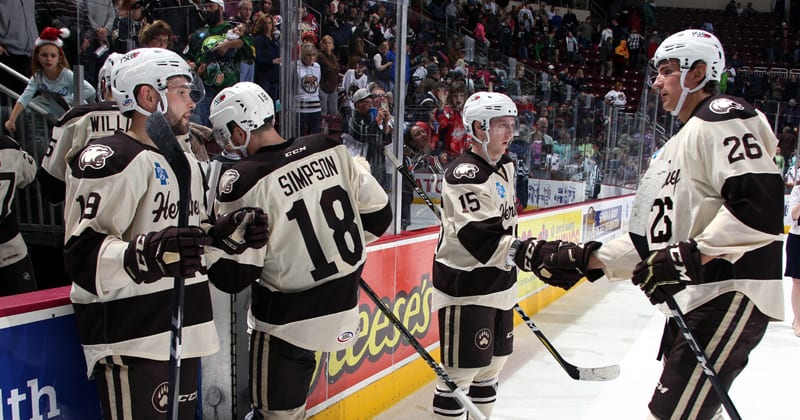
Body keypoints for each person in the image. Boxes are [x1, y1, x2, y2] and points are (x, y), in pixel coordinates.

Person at [549, 29, 786, 420]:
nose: (657, 81)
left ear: (697, 73)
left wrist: (691, 254)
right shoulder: (675, 145)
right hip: (699, 297)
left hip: (729, 291)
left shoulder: (723, 116)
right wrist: (584, 260)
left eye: (667, 70)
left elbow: (757, 209)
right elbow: (650, 242)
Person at [63, 48, 267, 419]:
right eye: (181, 91)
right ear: (148, 96)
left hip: (184, 326)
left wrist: (221, 238)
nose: (192, 102)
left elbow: (182, 248)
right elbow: (82, 254)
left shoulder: (184, 160)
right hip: (135, 335)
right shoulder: (113, 157)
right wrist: (146, 254)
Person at [207, 81, 392, 419]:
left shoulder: (243, 179)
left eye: (224, 134)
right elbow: (380, 217)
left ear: (237, 130)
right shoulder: (328, 146)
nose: (227, 144)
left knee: (274, 414)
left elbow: (233, 276)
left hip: (285, 321)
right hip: (342, 305)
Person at [431, 91, 584, 419]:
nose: (510, 132)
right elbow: (480, 241)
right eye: (501, 124)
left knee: (491, 369)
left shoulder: (506, 165)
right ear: (478, 128)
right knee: (459, 376)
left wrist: (522, 256)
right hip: (466, 287)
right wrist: (532, 253)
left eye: (512, 124)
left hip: (500, 283)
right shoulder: (464, 175)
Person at [39, 52, 128, 204]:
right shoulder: (153, 121)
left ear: (103, 84)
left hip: (86, 214)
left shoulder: (75, 118)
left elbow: (52, 186)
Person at [4, 27, 96, 133]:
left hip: (75, 116)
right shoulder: (38, 77)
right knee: (33, 106)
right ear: (37, 57)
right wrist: (12, 120)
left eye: (53, 56)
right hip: (56, 116)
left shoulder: (67, 74)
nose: (49, 59)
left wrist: (69, 99)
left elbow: (90, 89)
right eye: (44, 55)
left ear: (59, 58)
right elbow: (25, 97)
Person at [185, 0, 255, 126]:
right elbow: (188, 57)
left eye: (210, 7)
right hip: (204, 90)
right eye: (204, 7)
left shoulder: (234, 29)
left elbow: (251, 49)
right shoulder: (198, 34)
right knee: (203, 128)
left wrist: (229, 44)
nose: (206, 10)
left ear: (221, 9)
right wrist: (191, 65)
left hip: (229, 90)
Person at [0, 134, 37, 296]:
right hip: (10, 247)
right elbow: (29, 174)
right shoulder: (9, 147)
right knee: (27, 313)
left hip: (10, 248)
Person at [343, 88, 392, 187]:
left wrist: (386, 123)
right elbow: (362, 135)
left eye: (371, 102)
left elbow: (385, 140)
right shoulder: (350, 117)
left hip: (375, 164)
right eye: (366, 102)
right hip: (357, 163)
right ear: (357, 104)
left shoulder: (372, 117)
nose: (370, 105)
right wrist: (377, 120)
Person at [296, 43, 322, 135]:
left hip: (315, 107)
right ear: (303, 55)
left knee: (315, 135)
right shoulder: (296, 66)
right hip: (301, 107)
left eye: (313, 55)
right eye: (308, 55)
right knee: (300, 134)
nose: (311, 58)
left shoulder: (317, 66)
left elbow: (317, 84)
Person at [787, 184, 800, 337]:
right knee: (797, 281)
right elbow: (792, 217)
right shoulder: (797, 190)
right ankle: (798, 320)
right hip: (797, 238)